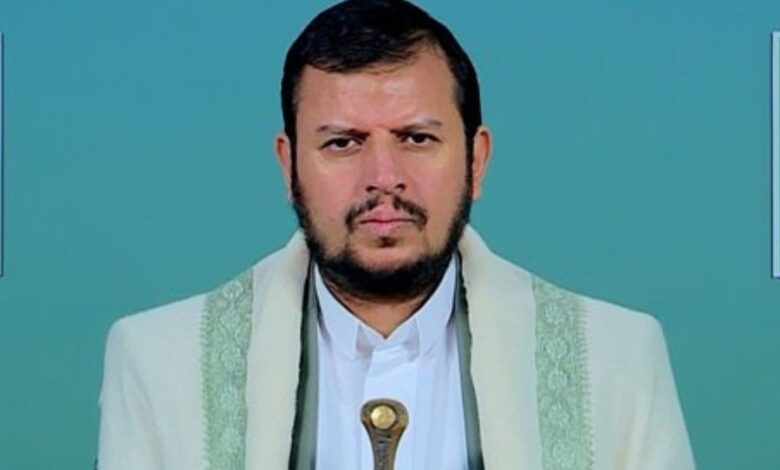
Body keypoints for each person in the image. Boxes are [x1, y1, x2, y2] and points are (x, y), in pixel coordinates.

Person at [96, 1, 695, 469]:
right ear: (288, 165)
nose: (383, 178)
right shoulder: (159, 362)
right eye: (343, 143)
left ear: (477, 159)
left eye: (416, 138)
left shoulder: (616, 358)